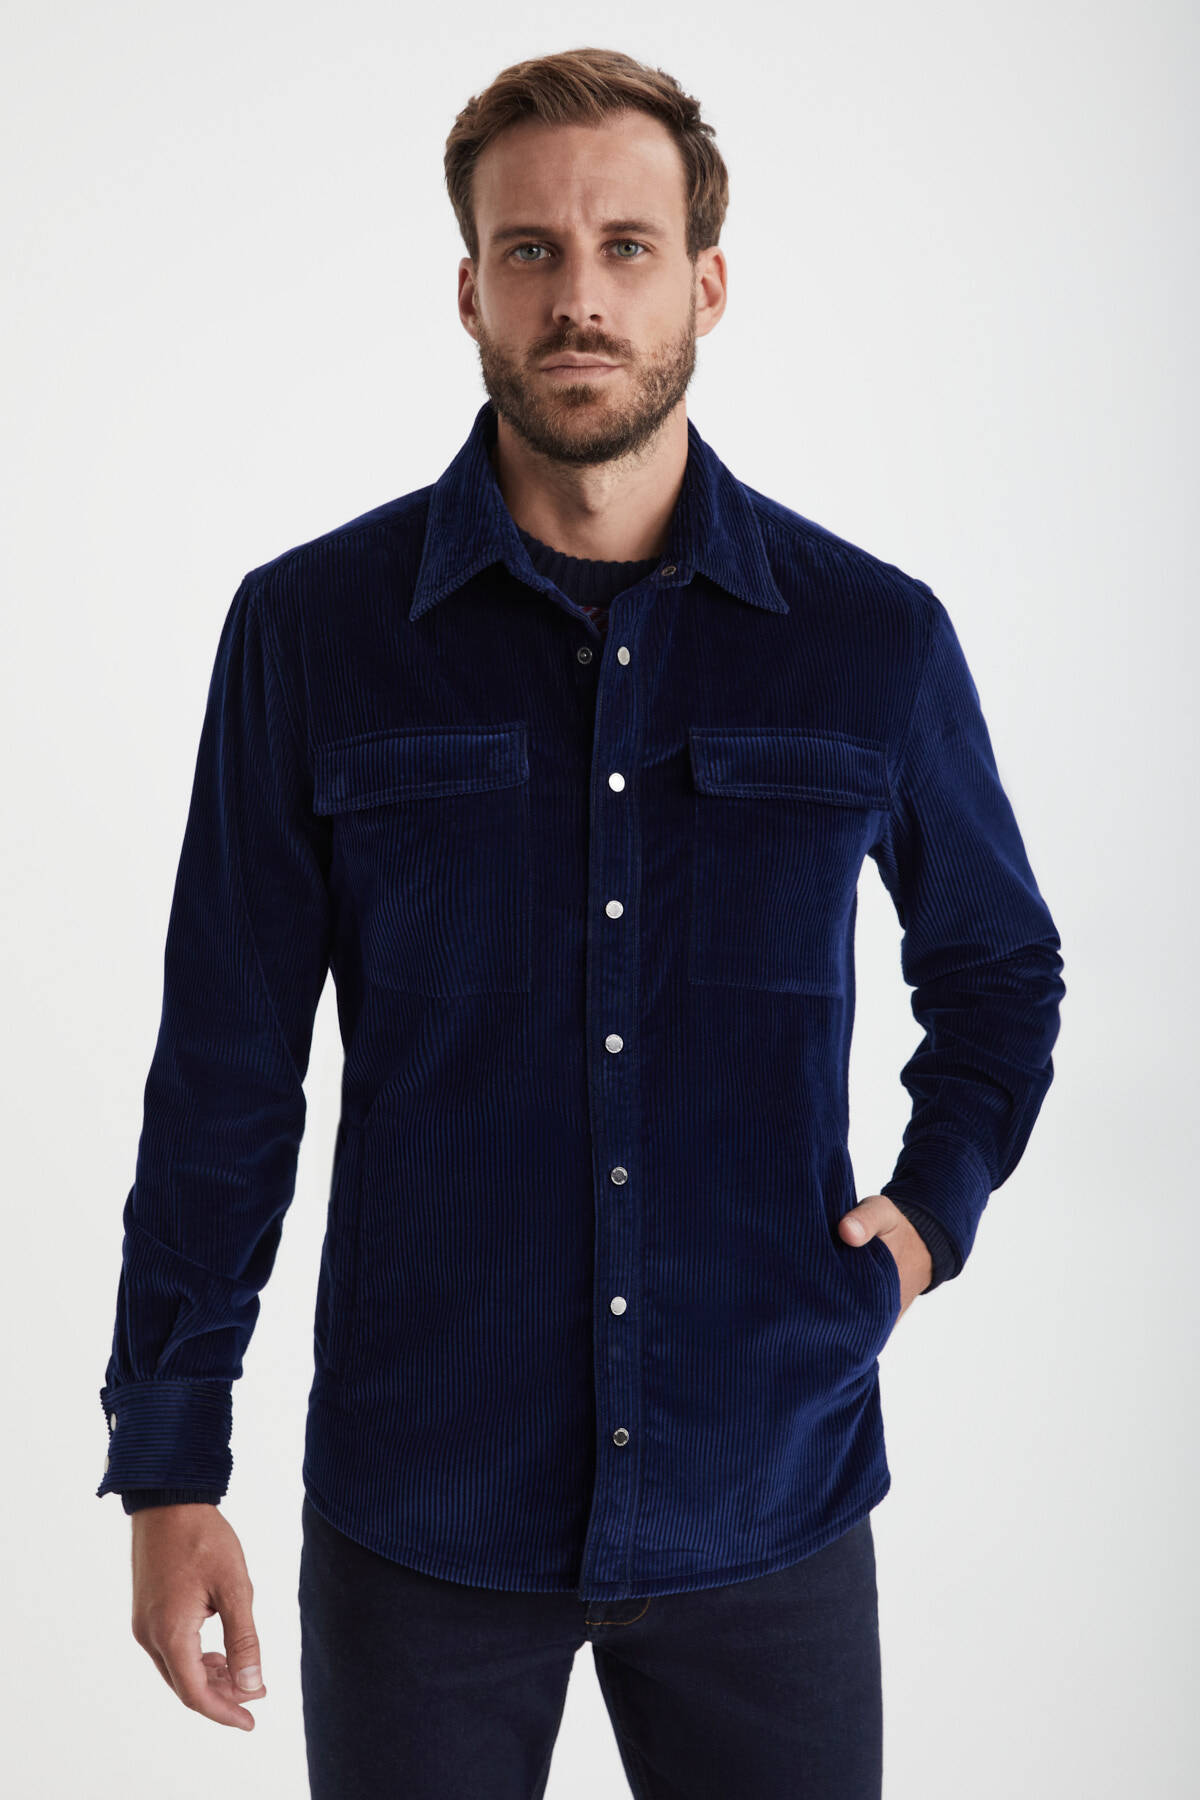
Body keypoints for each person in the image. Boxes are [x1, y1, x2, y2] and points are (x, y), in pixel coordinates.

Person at [95, 45, 1065, 1800]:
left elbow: (997, 966)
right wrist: (172, 1464)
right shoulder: (311, 635)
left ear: (707, 282)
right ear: (470, 289)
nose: (579, 298)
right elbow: (227, 1065)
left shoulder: (869, 640)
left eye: (627, 246)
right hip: (422, 1508)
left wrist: (930, 1219)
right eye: (530, 250)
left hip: (768, 1487)